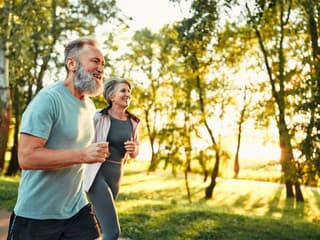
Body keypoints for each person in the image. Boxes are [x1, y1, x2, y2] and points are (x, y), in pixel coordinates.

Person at [7, 37, 109, 240]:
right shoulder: (48, 100)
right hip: (37, 215)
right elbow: (27, 158)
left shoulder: (88, 106)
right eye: (95, 61)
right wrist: (82, 155)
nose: (101, 69)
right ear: (72, 64)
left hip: (76, 209)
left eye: (103, 64)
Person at [84, 78, 141, 240]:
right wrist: (97, 149)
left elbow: (136, 150)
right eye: (123, 91)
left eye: (129, 91)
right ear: (111, 96)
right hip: (96, 173)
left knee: (91, 226)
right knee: (112, 232)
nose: (128, 94)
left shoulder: (134, 122)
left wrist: (134, 149)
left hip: (116, 175)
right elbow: (84, 142)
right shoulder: (98, 117)